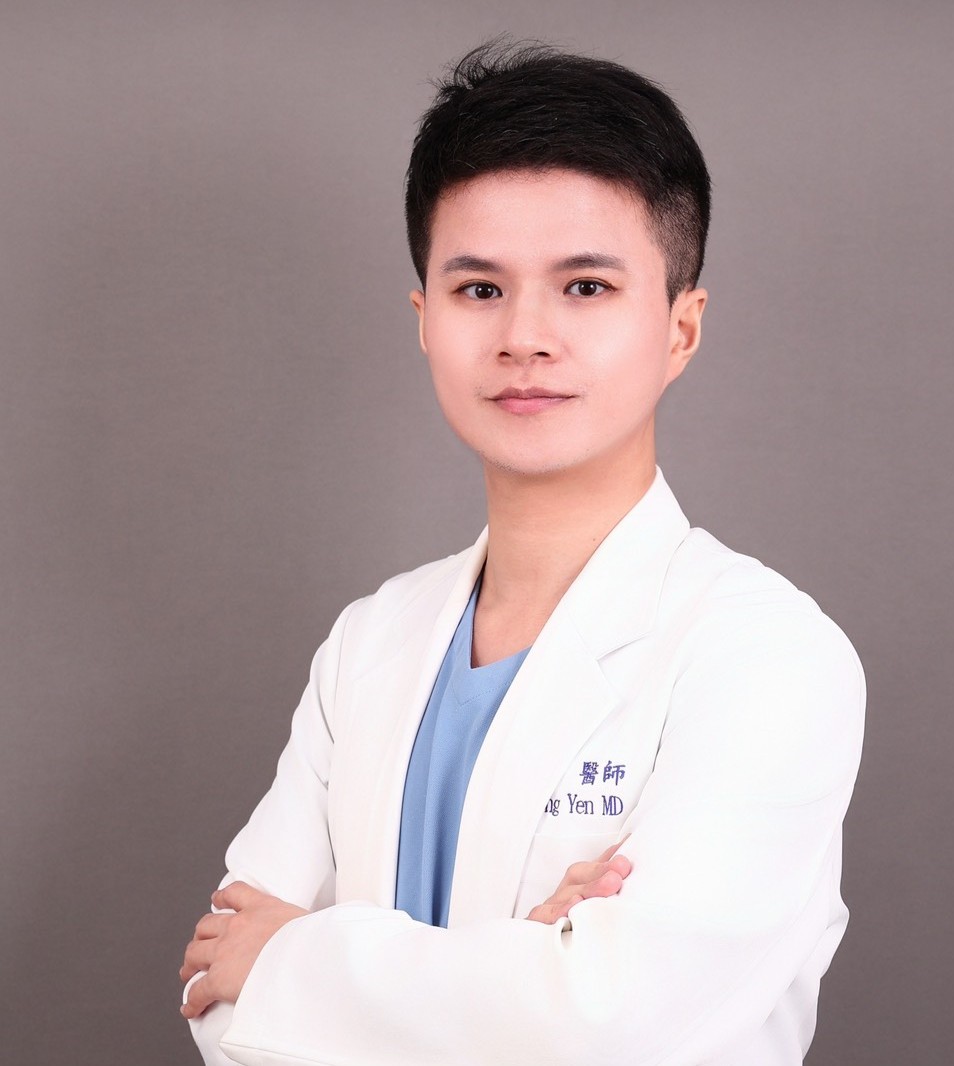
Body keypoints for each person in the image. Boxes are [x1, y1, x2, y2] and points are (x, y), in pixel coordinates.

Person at [180, 41, 866, 1066]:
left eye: (585, 287)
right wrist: (533, 971)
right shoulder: (370, 641)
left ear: (681, 329)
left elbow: (618, 1027)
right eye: (478, 290)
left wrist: (296, 963)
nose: (526, 337)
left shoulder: (767, 654)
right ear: (425, 320)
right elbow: (217, 993)